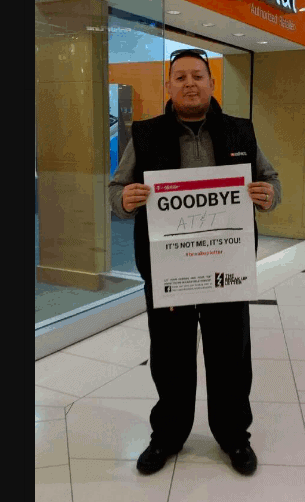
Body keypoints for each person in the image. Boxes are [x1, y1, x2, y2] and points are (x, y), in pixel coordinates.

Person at [108, 48, 282, 476]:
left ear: (211, 83)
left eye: (197, 76)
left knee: (230, 358)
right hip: (170, 273)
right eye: (180, 77)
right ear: (169, 86)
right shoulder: (145, 136)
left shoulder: (241, 132)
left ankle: (234, 437)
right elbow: (116, 190)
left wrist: (269, 195)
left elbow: (271, 181)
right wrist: (124, 201)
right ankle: (167, 436)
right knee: (170, 358)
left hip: (227, 270)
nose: (189, 83)